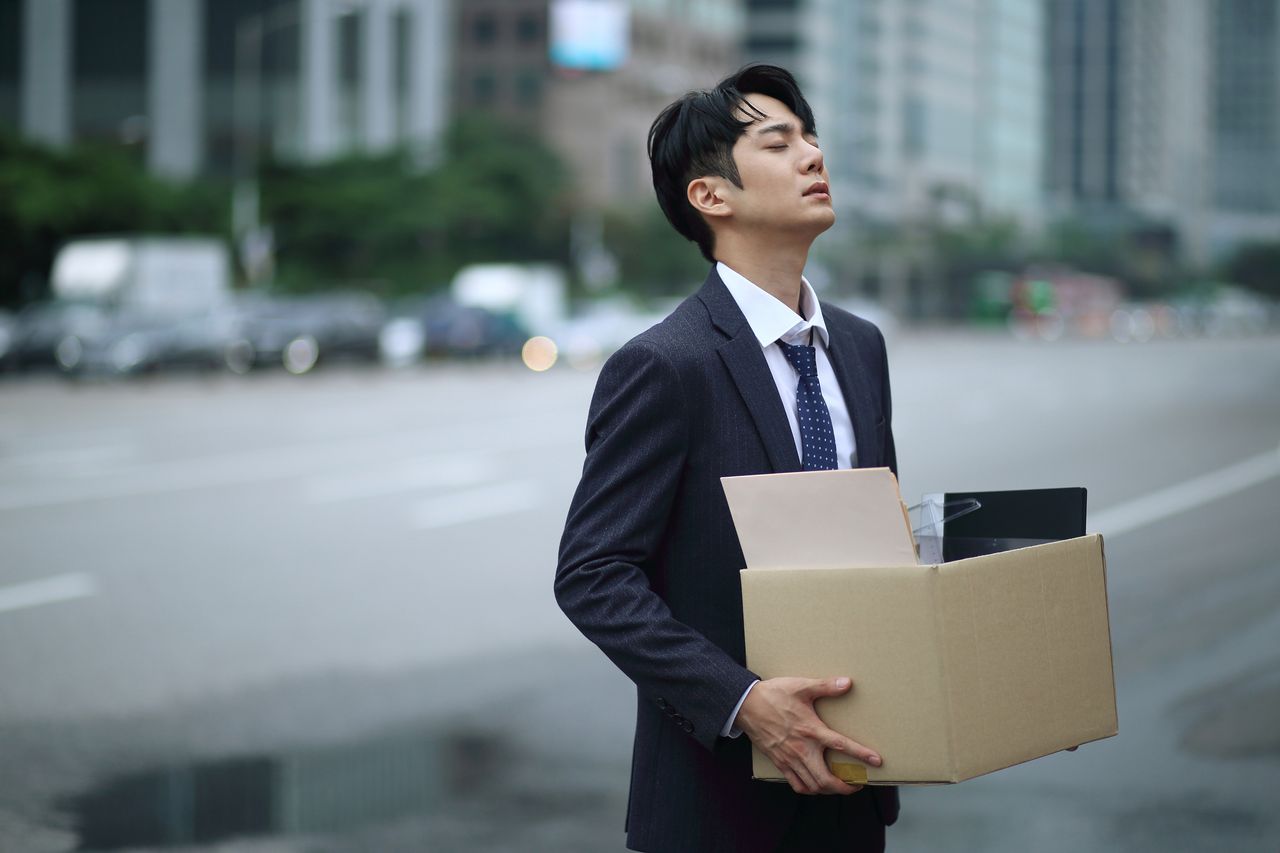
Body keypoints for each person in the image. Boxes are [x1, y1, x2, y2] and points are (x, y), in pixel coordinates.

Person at [555, 64, 899, 853]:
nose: (814, 156)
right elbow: (593, 575)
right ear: (711, 196)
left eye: (811, 138)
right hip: (716, 810)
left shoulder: (859, 346)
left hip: (852, 782)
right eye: (779, 143)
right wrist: (745, 703)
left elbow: (873, 549)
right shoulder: (666, 365)